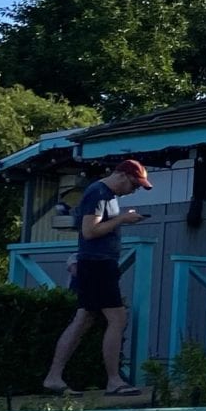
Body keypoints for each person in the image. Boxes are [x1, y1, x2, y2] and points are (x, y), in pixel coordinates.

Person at [43, 158, 151, 395]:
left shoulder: (108, 196)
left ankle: (54, 377)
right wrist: (122, 219)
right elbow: (89, 231)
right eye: (134, 185)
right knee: (118, 318)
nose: (133, 190)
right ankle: (114, 381)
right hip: (97, 264)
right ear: (122, 175)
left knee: (83, 320)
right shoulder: (98, 193)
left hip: (99, 264)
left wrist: (120, 218)